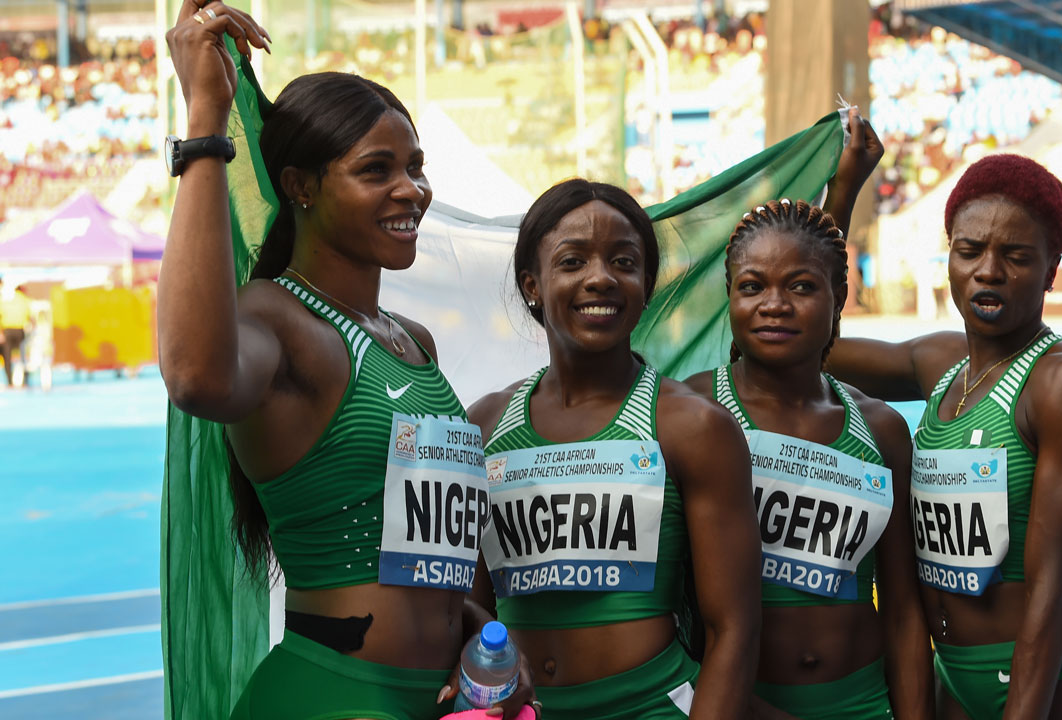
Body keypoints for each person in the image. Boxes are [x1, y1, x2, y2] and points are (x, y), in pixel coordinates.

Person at [160, 2, 533, 717]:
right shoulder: (278, 317)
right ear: (300, 186)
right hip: (332, 698)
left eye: (416, 168)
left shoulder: (412, 340)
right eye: (376, 170)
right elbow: (195, 375)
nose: (411, 191)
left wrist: (475, 635)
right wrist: (205, 122)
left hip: (432, 698)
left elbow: (417, 549)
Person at [826, 154, 1062, 720]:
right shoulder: (941, 362)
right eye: (969, 251)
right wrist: (844, 191)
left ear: (1051, 268)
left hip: (1050, 686)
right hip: (953, 678)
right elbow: (812, 339)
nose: (987, 271)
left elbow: (1051, 589)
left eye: (1015, 256)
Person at [467, 179, 762, 719]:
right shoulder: (484, 425)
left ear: (646, 284)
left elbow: (733, 629)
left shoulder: (693, 427)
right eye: (573, 261)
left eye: (623, 262)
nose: (600, 278)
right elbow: (467, 609)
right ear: (532, 284)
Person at [681, 196, 932, 720]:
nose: (774, 304)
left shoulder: (880, 430)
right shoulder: (693, 411)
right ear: (730, 296)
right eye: (752, 287)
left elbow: (905, 616)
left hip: (861, 706)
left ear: (838, 296)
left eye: (800, 287)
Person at [0, 277, 32, 388]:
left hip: (8, 330)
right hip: (20, 331)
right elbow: (30, 317)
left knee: (7, 357)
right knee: (23, 356)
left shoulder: (7, 300)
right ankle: (25, 379)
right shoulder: (25, 300)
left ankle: (10, 382)